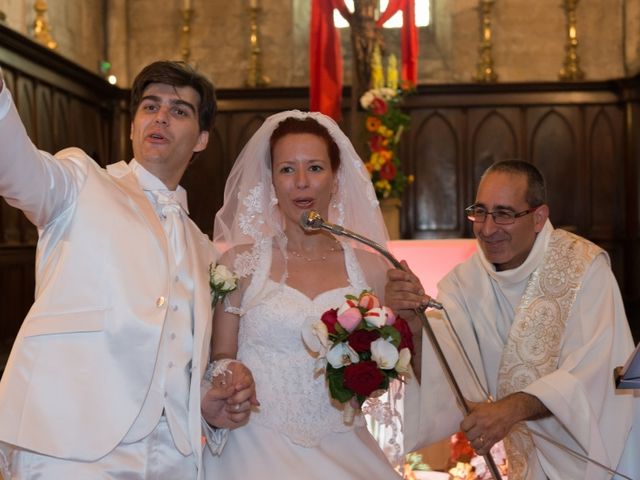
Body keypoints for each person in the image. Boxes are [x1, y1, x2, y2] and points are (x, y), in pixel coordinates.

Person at [0, 61, 256, 479]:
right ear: (133, 127)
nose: (160, 117)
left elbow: (184, 353)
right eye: (150, 107)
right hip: (71, 442)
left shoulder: (205, 249)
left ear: (202, 139)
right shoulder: (80, 182)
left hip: (174, 453)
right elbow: (17, 169)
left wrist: (205, 403)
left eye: (179, 111)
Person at [387, 160, 640, 480]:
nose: (488, 228)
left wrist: (513, 409)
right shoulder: (464, 284)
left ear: (538, 217)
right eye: (480, 212)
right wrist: (415, 325)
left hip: (603, 456)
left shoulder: (585, 268)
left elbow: (596, 371)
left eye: (504, 214)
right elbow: (450, 379)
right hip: (528, 462)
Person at [205, 110, 401, 479]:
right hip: (256, 447)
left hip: (344, 445)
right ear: (272, 183)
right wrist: (231, 373)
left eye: (314, 168)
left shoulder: (373, 268)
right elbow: (220, 355)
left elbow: (400, 358)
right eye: (286, 170)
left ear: (335, 179)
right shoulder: (240, 264)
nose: (301, 183)